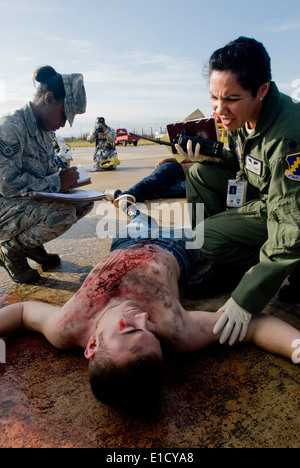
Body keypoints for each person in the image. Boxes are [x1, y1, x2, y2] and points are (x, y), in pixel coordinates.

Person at [0, 206, 299, 410]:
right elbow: (255, 324)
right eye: (151, 332)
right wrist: (295, 346)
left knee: (139, 217)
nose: (143, 319)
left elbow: (23, 313)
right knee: (212, 223)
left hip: (126, 242)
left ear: (91, 345)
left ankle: (129, 204)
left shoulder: (66, 326)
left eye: (129, 329)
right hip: (178, 246)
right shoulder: (180, 331)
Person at [176, 37, 300, 345]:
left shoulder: (287, 139)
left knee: (208, 235)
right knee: (199, 175)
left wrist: (248, 297)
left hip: (288, 207)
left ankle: (244, 269)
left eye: (230, 99)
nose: (219, 110)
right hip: (267, 195)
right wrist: (210, 156)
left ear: (262, 90)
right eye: (214, 98)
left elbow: (292, 225)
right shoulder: (246, 116)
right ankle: (226, 262)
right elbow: (248, 163)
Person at [0, 65, 94, 284]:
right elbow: (8, 185)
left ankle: (29, 244)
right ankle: (10, 249)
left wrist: (63, 182)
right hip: (4, 203)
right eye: (63, 115)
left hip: (22, 204)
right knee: (62, 214)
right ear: (48, 98)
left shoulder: (44, 133)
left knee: (84, 203)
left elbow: (45, 172)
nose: (63, 123)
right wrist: (56, 182)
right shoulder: (9, 128)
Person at [105, 157, 191, 209]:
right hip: (176, 167)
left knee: (186, 189)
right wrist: (167, 159)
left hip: (191, 180)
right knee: (152, 180)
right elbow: (186, 158)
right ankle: (127, 195)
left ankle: (121, 195)